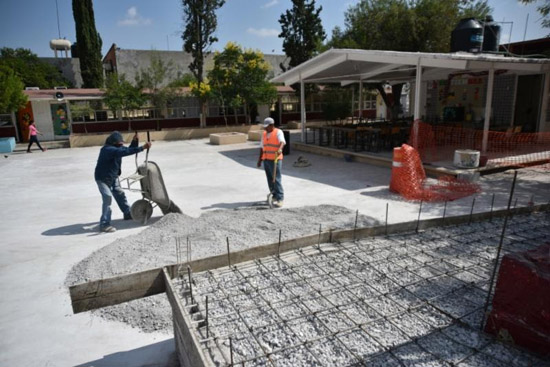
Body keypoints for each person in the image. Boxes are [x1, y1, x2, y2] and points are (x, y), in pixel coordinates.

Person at [94, 131, 151, 233]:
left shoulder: (116, 148)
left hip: (113, 177)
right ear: (113, 143)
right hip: (102, 179)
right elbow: (123, 152)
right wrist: (142, 148)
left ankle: (127, 213)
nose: (121, 146)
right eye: (119, 144)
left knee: (119, 194)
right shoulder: (107, 150)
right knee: (107, 198)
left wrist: (134, 141)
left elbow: (127, 149)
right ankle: (104, 224)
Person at [257, 117, 286, 208]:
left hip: (275, 159)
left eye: (267, 126)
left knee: (276, 179)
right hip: (266, 159)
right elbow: (262, 147)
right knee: (270, 179)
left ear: (272, 125)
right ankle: (274, 195)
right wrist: (260, 159)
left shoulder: (278, 132)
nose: (265, 128)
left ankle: (280, 198)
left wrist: (280, 149)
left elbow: (282, 142)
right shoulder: (264, 134)